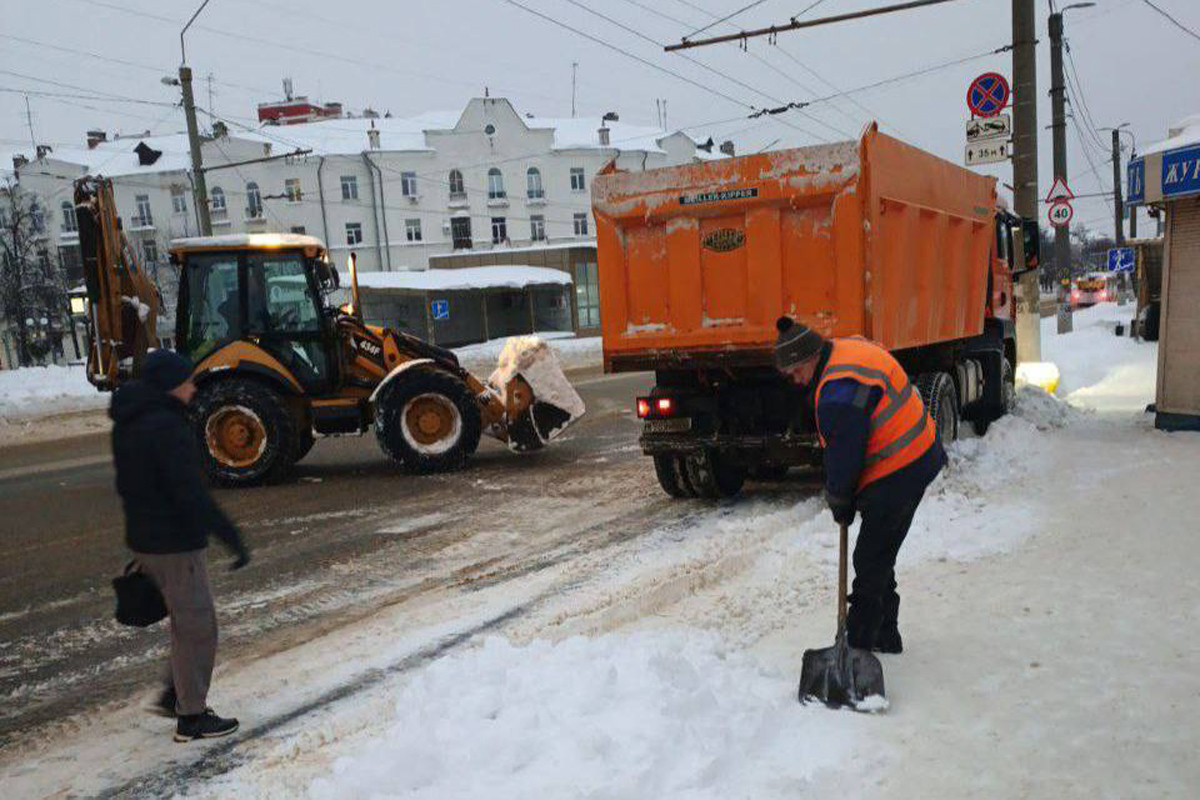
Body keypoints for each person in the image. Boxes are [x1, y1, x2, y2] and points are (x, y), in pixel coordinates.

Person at [774, 317, 945, 653]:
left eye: (796, 372)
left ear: (811, 357)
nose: (796, 381)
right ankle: (885, 635)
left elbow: (845, 455)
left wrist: (840, 499)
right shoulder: (844, 350)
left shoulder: (837, 392)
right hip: (915, 452)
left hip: (902, 466)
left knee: (869, 559)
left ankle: (858, 646)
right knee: (878, 551)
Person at [109, 349, 250, 742]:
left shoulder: (130, 421)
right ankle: (191, 717)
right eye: (187, 380)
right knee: (198, 629)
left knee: (185, 623)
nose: (193, 387)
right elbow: (190, 494)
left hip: (146, 540)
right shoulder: (166, 427)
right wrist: (230, 536)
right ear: (171, 385)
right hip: (175, 545)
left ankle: (176, 693)